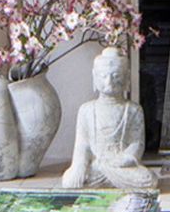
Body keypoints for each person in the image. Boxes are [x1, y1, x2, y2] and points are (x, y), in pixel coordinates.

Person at [61, 45, 157, 191]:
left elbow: (137, 144)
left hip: (120, 166)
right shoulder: (86, 110)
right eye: (103, 76)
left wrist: (123, 160)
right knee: (69, 180)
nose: (109, 82)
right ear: (94, 77)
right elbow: (82, 144)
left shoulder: (133, 110)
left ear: (126, 78)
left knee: (148, 179)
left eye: (116, 76)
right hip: (96, 165)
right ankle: (106, 176)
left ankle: (109, 176)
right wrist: (79, 166)